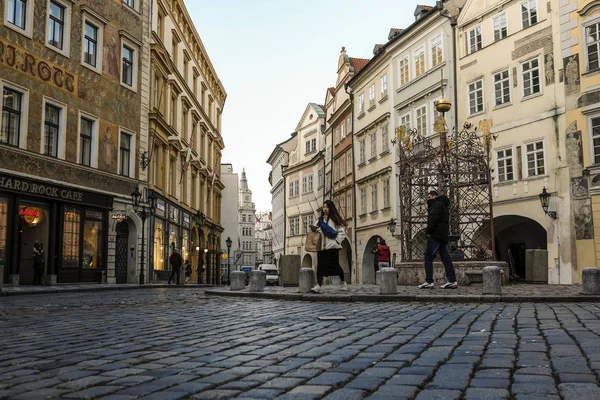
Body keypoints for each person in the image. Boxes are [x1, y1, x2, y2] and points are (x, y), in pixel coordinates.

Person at [418, 190, 458, 289]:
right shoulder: (443, 206)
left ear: (435, 196)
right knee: (446, 258)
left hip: (436, 235)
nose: (428, 199)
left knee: (428, 257)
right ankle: (452, 280)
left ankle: (429, 281)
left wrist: (428, 231)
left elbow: (433, 220)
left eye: (429, 197)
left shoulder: (436, 205)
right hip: (442, 235)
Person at [310, 200, 349, 293]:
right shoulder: (320, 220)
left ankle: (343, 283)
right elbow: (316, 231)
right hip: (322, 247)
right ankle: (319, 285)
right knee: (320, 267)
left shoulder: (335, 219)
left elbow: (342, 232)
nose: (325, 209)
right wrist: (315, 229)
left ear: (330, 208)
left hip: (332, 246)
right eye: (323, 207)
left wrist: (337, 240)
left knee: (335, 266)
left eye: (327, 207)